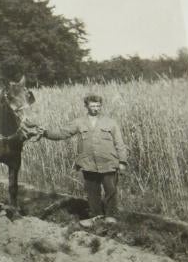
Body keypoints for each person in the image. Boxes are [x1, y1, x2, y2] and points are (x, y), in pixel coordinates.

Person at [41, 93, 128, 227]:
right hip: (88, 164)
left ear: (101, 107)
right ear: (86, 106)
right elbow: (62, 133)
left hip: (109, 163)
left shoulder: (111, 123)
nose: (95, 108)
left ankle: (111, 216)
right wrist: (45, 133)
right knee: (92, 191)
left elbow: (120, 144)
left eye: (98, 106)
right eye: (92, 106)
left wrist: (122, 162)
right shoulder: (79, 122)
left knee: (110, 190)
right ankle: (96, 216)